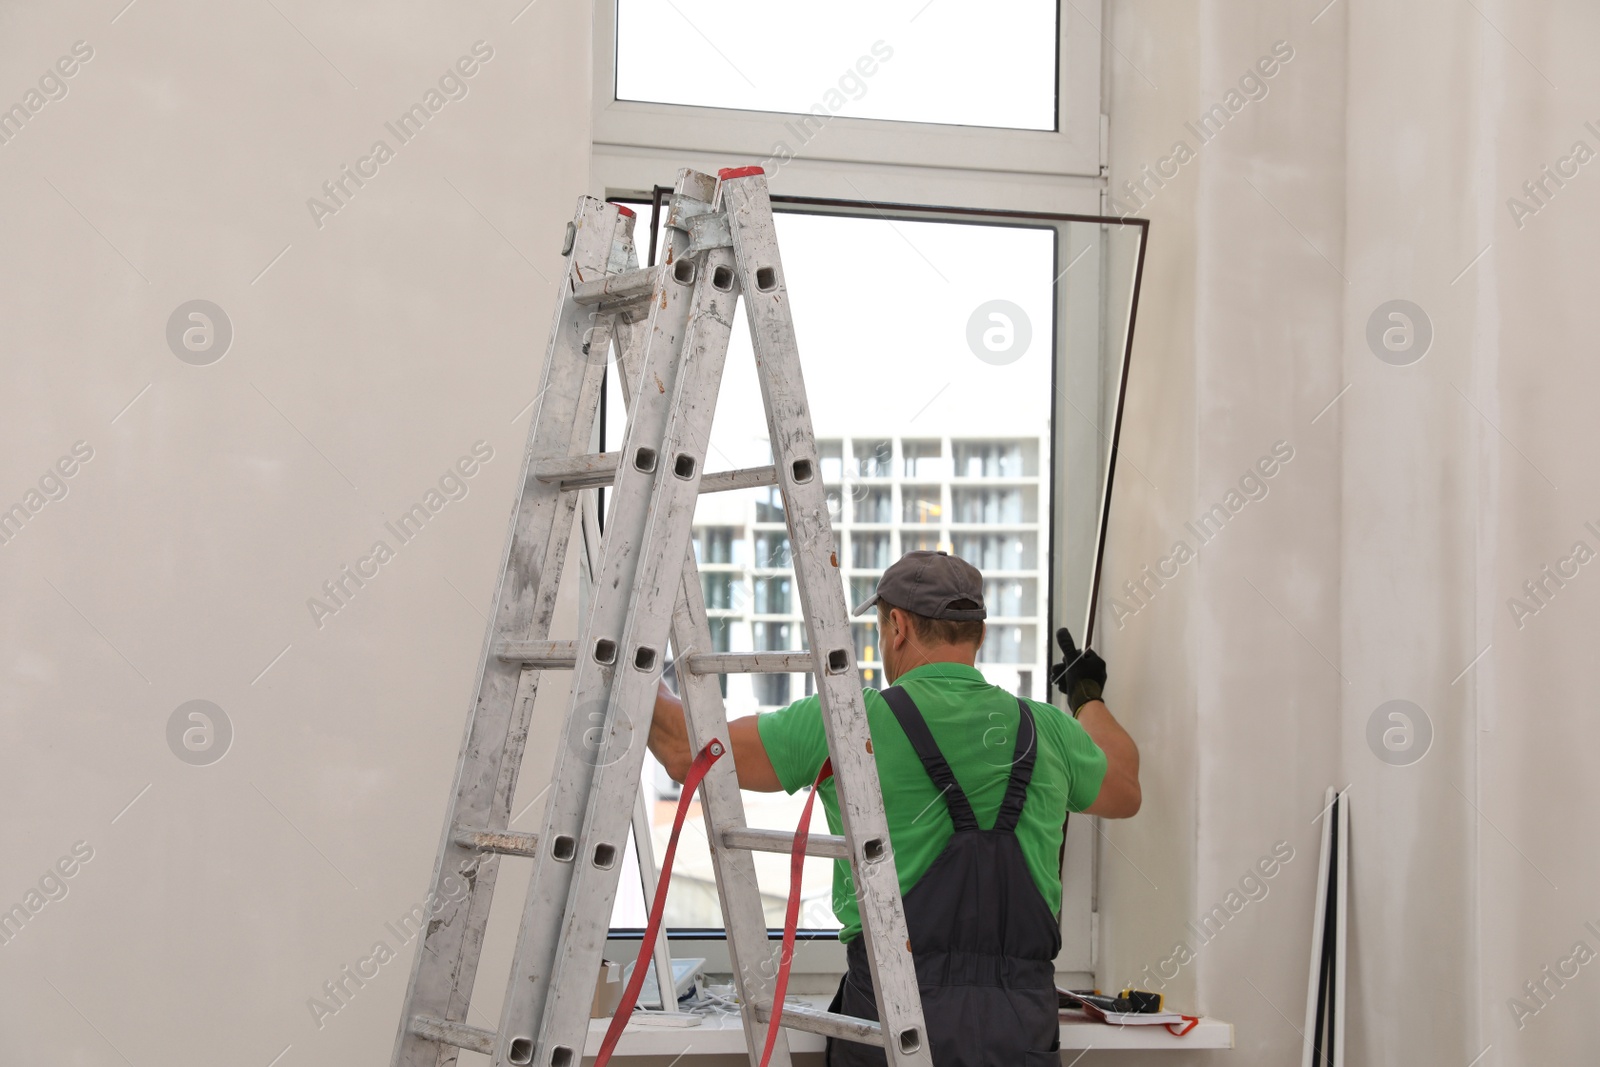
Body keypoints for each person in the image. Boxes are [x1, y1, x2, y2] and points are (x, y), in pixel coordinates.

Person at [647, 550, 1141, 1066]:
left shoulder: (847, 721)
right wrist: (1086, 699)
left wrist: (634, 668)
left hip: (893, 1021)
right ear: (978, 634)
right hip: (1019, 1027)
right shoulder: (1050, 730)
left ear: (898, 626)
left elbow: (686, 752)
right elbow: (1126, 788)